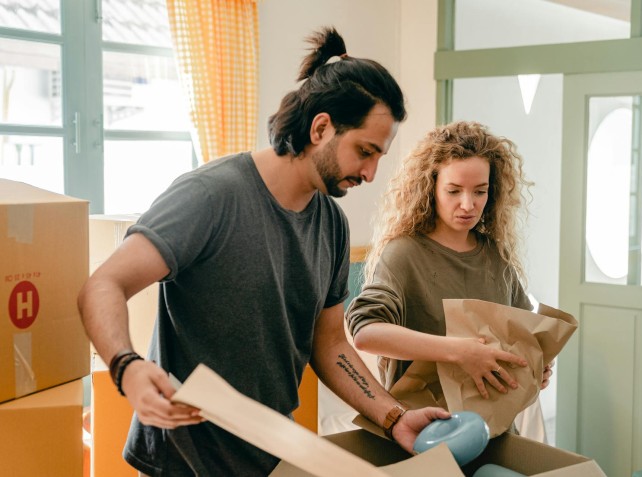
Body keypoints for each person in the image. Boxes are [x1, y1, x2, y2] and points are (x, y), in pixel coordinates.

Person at [78, 27, 449, 477]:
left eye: (378, 157)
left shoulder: (331, 224)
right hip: (182, 463)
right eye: (364, 151)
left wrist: (394, 417)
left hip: (269, 455)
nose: (371, 173)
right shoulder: (211, 198)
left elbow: (329, 342)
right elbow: (104, 284)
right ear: (320, 128)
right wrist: (127, 368)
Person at [346, 121, 554, 402]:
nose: (468, 205)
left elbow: (522, 337)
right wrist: (459, 352)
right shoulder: (404, 254)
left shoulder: (495, 256)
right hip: (424, 428)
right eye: (454, 191)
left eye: (480, 191)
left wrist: (532, 366)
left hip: (495, 424)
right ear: (430, 188)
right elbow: (366, 333)